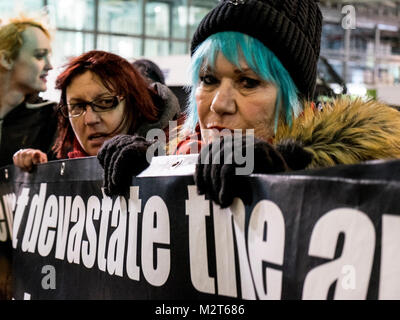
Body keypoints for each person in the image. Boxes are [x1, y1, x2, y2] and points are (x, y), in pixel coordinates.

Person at [98, 0, 400, 207]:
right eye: (208, 79)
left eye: (248, 82)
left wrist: (284, 181)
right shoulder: (173, 151)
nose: (220, 104)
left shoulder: (369, 179)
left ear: (296, 100)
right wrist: (152, 176)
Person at [13, 50, 181, 172]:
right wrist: (37, 174)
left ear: (134, 105)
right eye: (77, 106)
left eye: (105, 102)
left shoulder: (181, 148)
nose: (90, 119)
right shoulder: (68, 166)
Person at [0, 16, 57, 168]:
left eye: (48, 55)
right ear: (6, 59)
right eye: (39, 55)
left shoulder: (53, 116)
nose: (50, 66)